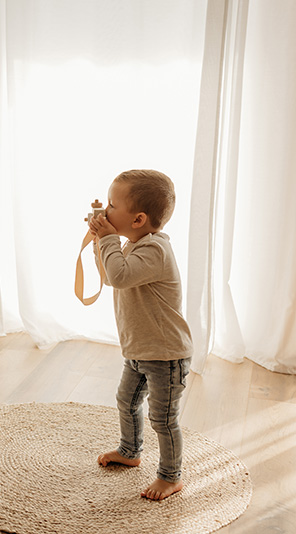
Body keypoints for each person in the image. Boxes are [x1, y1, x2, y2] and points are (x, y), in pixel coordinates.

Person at [88, 169, 193, 501]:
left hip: (165, 354)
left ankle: (170, 476)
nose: (106, 211)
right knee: (127, 401)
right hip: (139, 349)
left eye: (112, 205)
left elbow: (117, 276)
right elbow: (110, 274)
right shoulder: (136, 244)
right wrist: (99, 240)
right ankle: (130, 450)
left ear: (138, 220)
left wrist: (107, 239)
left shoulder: (154, 251)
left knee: (163, 418)